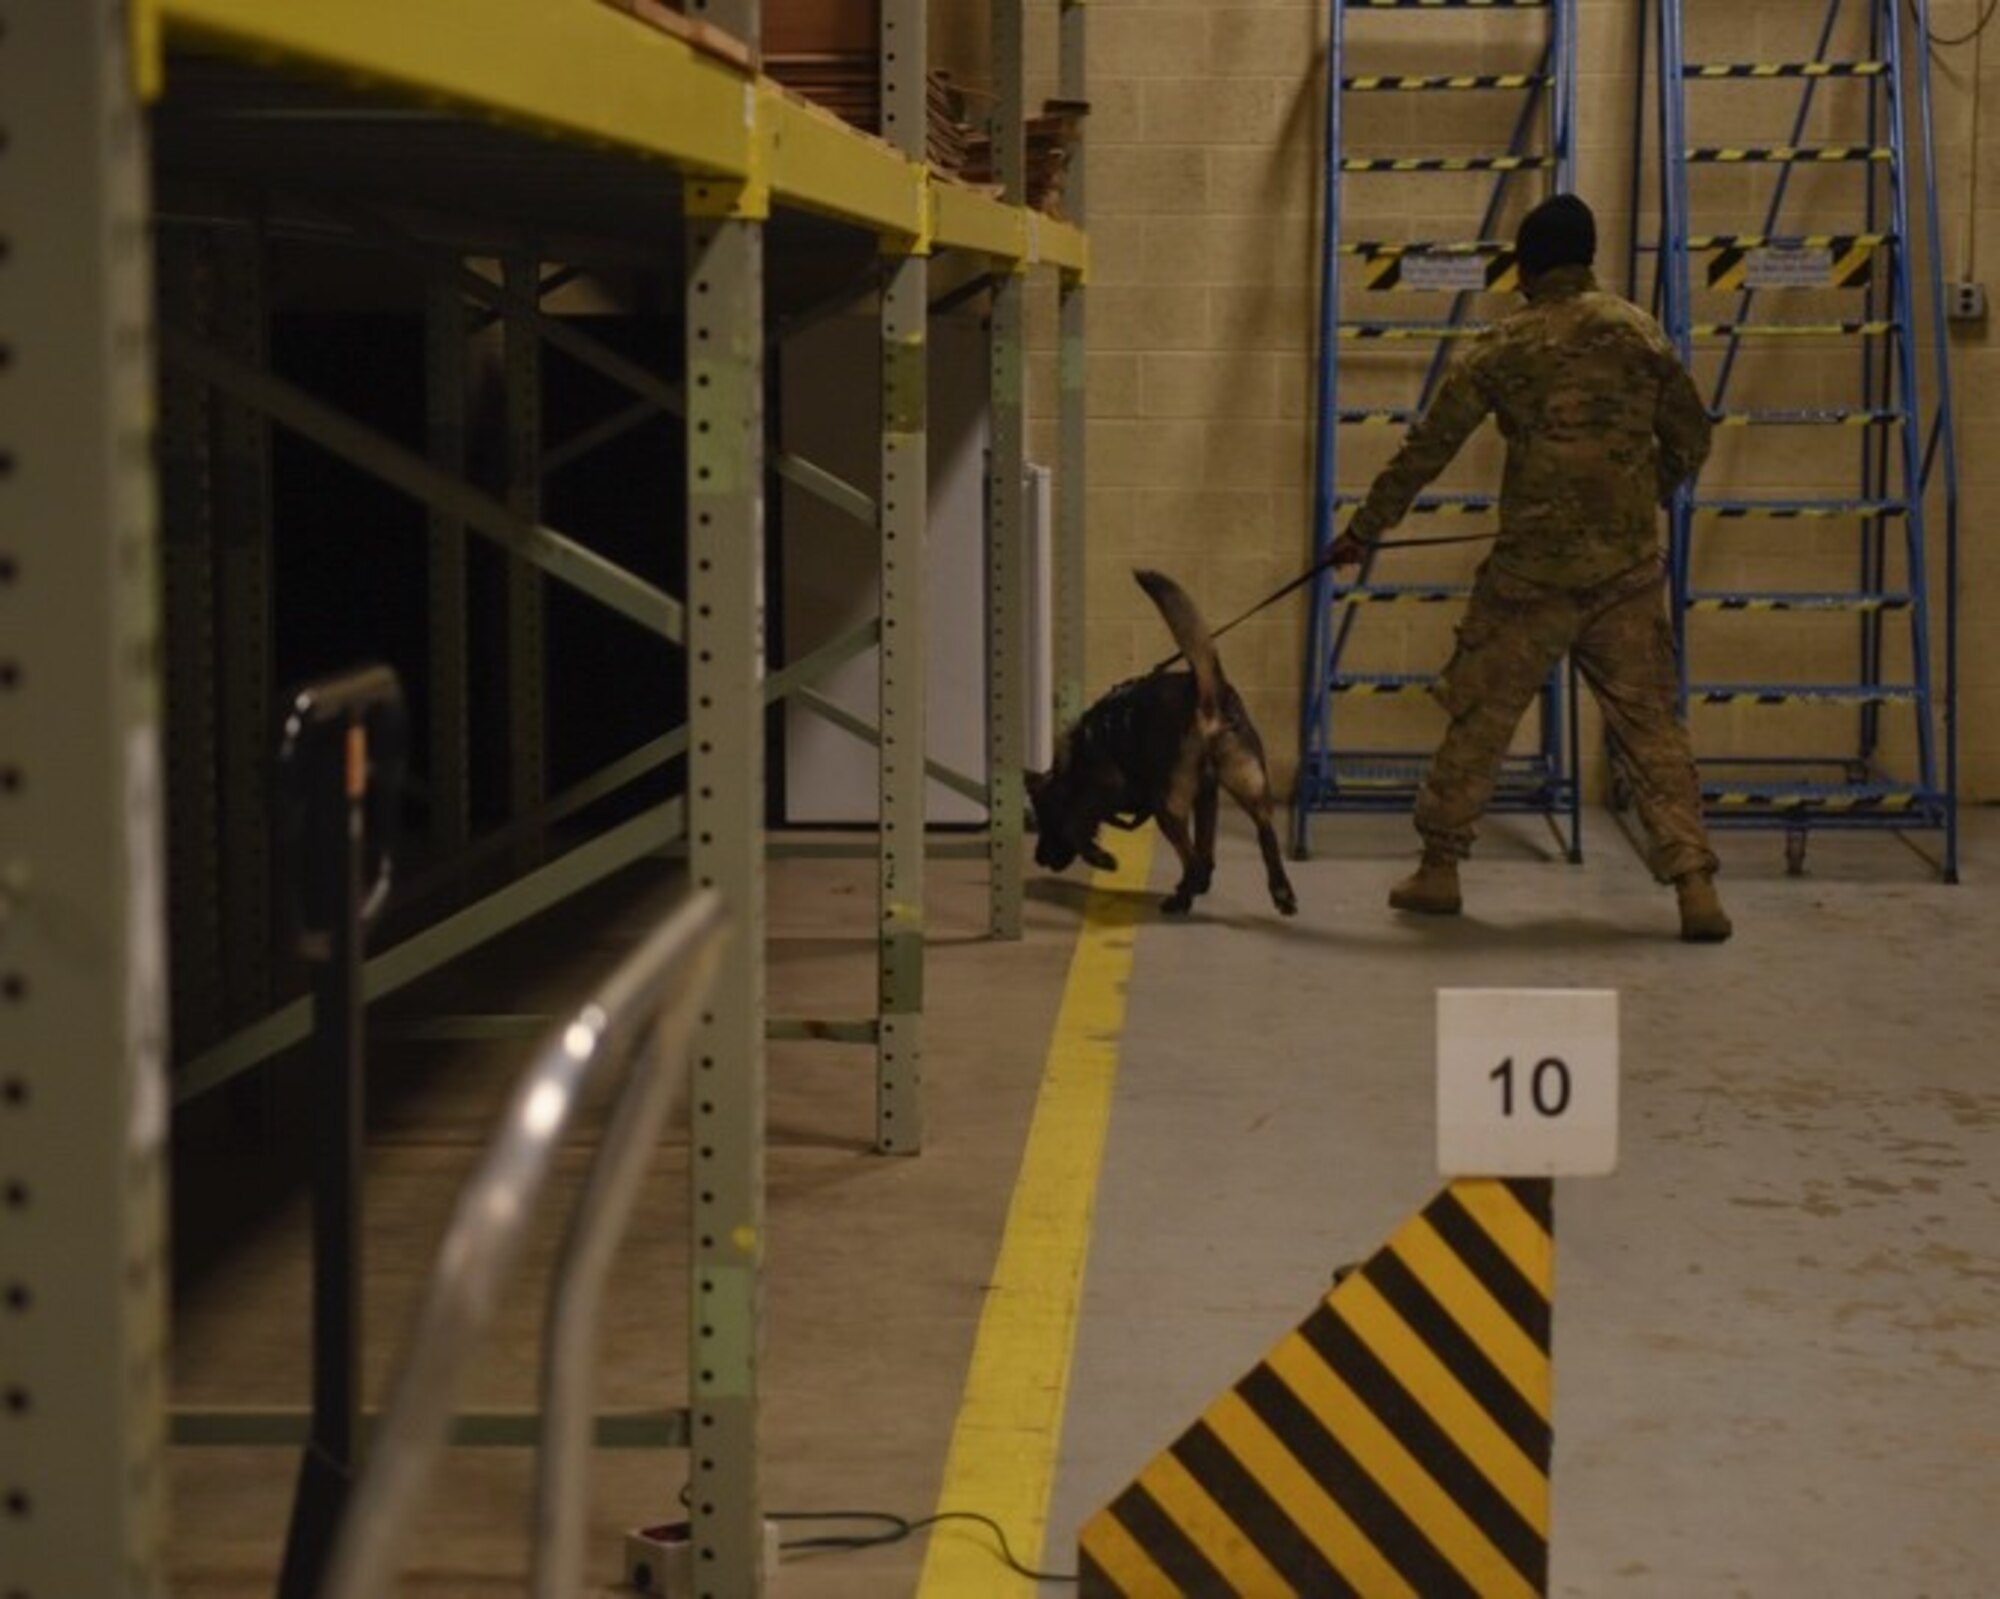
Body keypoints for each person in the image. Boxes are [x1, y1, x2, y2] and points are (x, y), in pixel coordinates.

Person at [1328, 192, 1732, 942]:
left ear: (1529, 264)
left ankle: (1440, 870)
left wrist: (1362, 530)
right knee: (1652, 732)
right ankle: (1695, 886)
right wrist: (1645, 493)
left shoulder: (1505, 343)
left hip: (1529, 580)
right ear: (1589, 257)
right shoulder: (1640, 333)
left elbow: (1428, 449)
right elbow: (1692, 438)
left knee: (1480, 718)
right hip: (1627, 575)